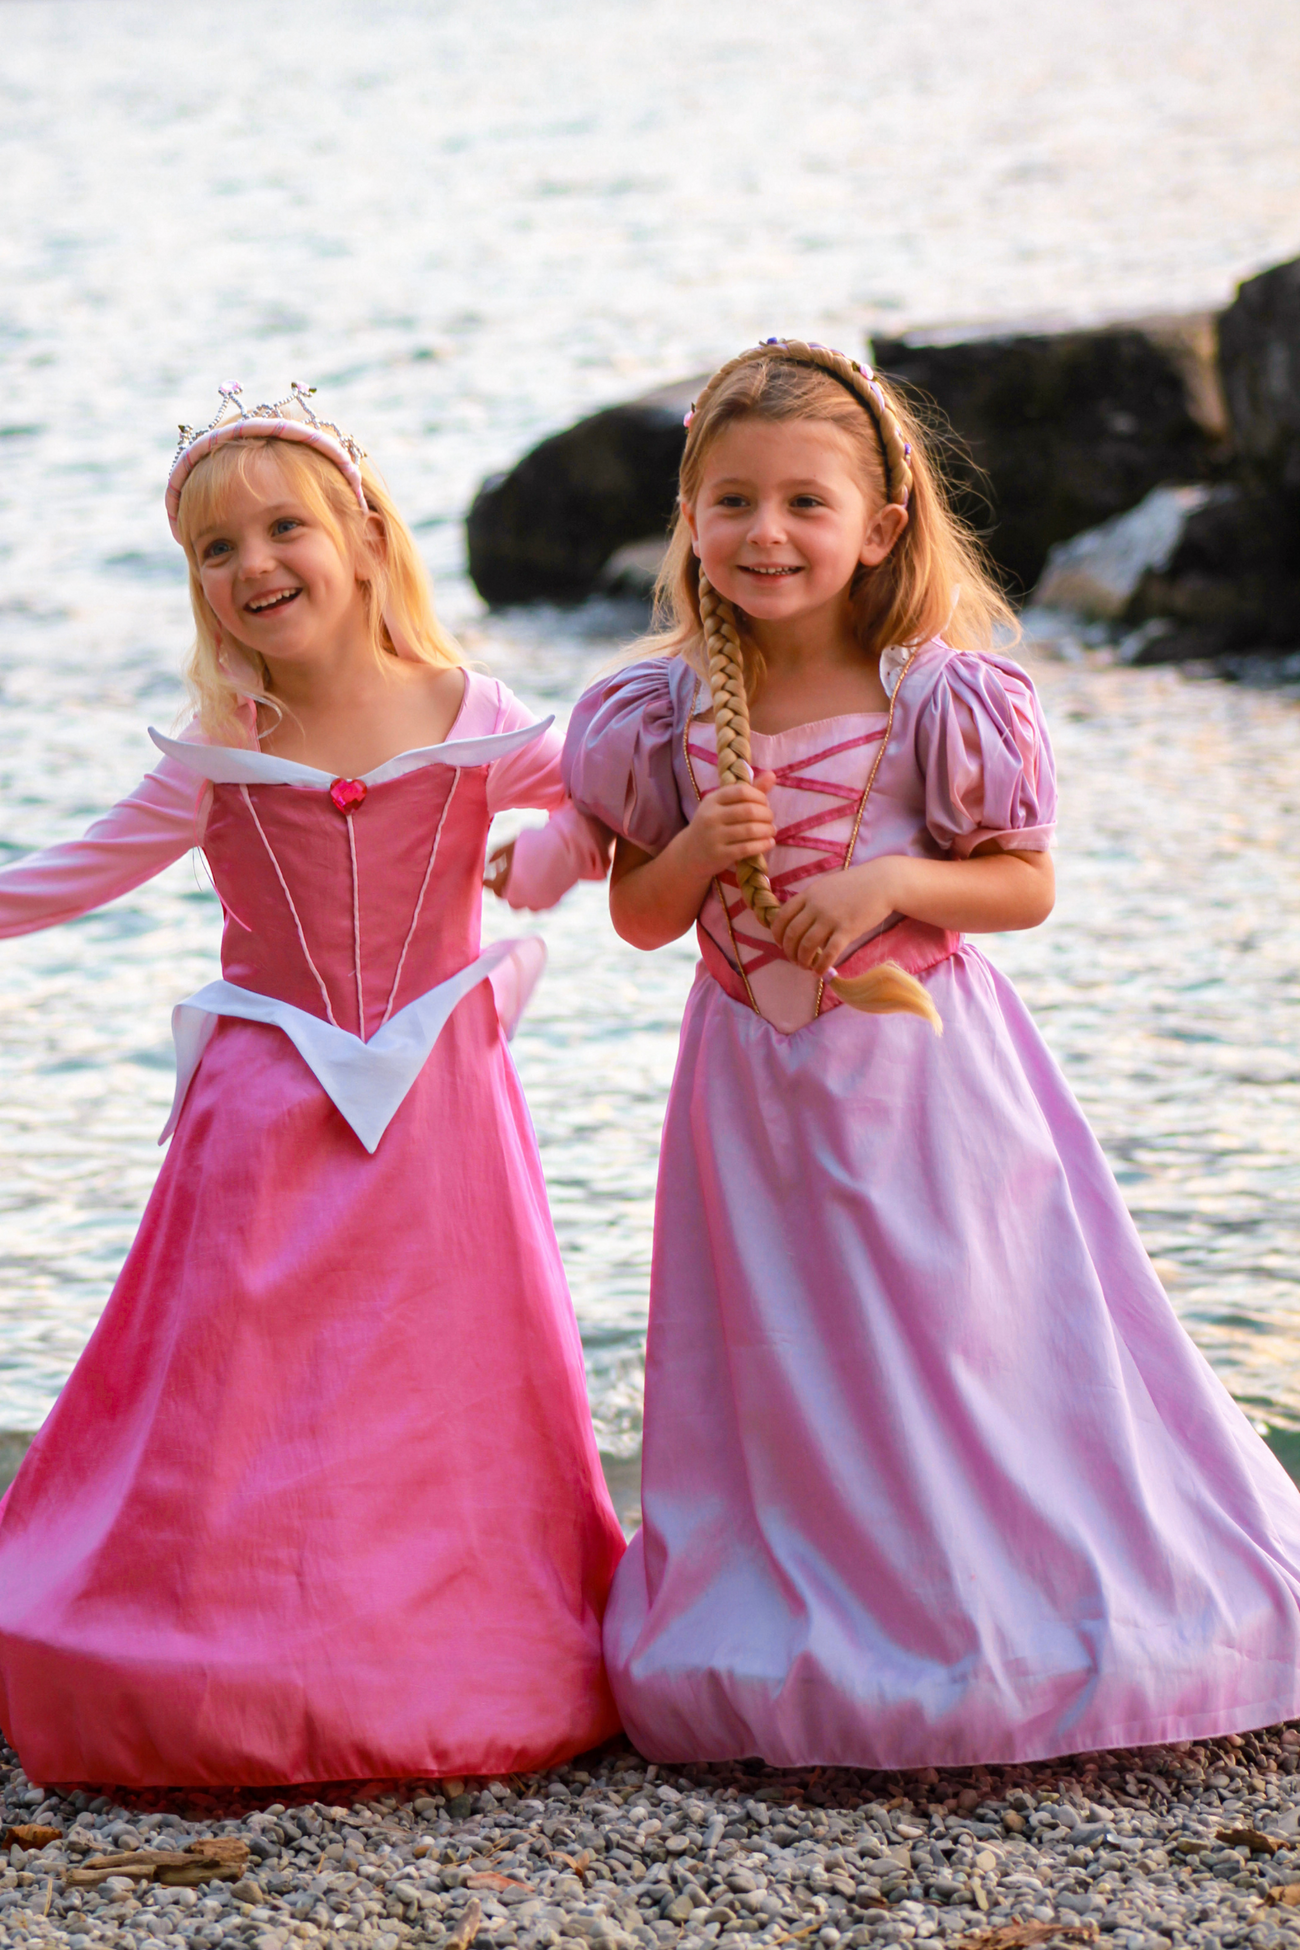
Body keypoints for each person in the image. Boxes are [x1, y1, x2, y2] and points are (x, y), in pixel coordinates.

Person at [563, 338, 1300, 1770]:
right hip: (750, 1097)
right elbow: (639, 920)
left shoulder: (938, 697)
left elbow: (1022, 885)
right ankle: (811, 1603)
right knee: (786, 1358)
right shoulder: (658, 712)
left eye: (803, 503)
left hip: (922, 1089)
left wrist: (893, 885)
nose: (766, 534)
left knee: (948, 1342)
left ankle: (980, 1611)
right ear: (690, 514)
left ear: (880, 525)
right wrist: (698, 851)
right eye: (731, 503)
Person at [0, 384, 624, 1788]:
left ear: (362, 533)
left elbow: (599, 789)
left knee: (439, 1390)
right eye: (215, 549)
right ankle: (234, 1637)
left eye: (284, 526)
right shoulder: (221, 757)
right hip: (265, 1114)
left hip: (442, 1120)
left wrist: (557, 853)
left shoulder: (472, 712)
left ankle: (451, 1636)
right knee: (247, 1395)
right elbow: (61, 877)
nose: (255, 564)